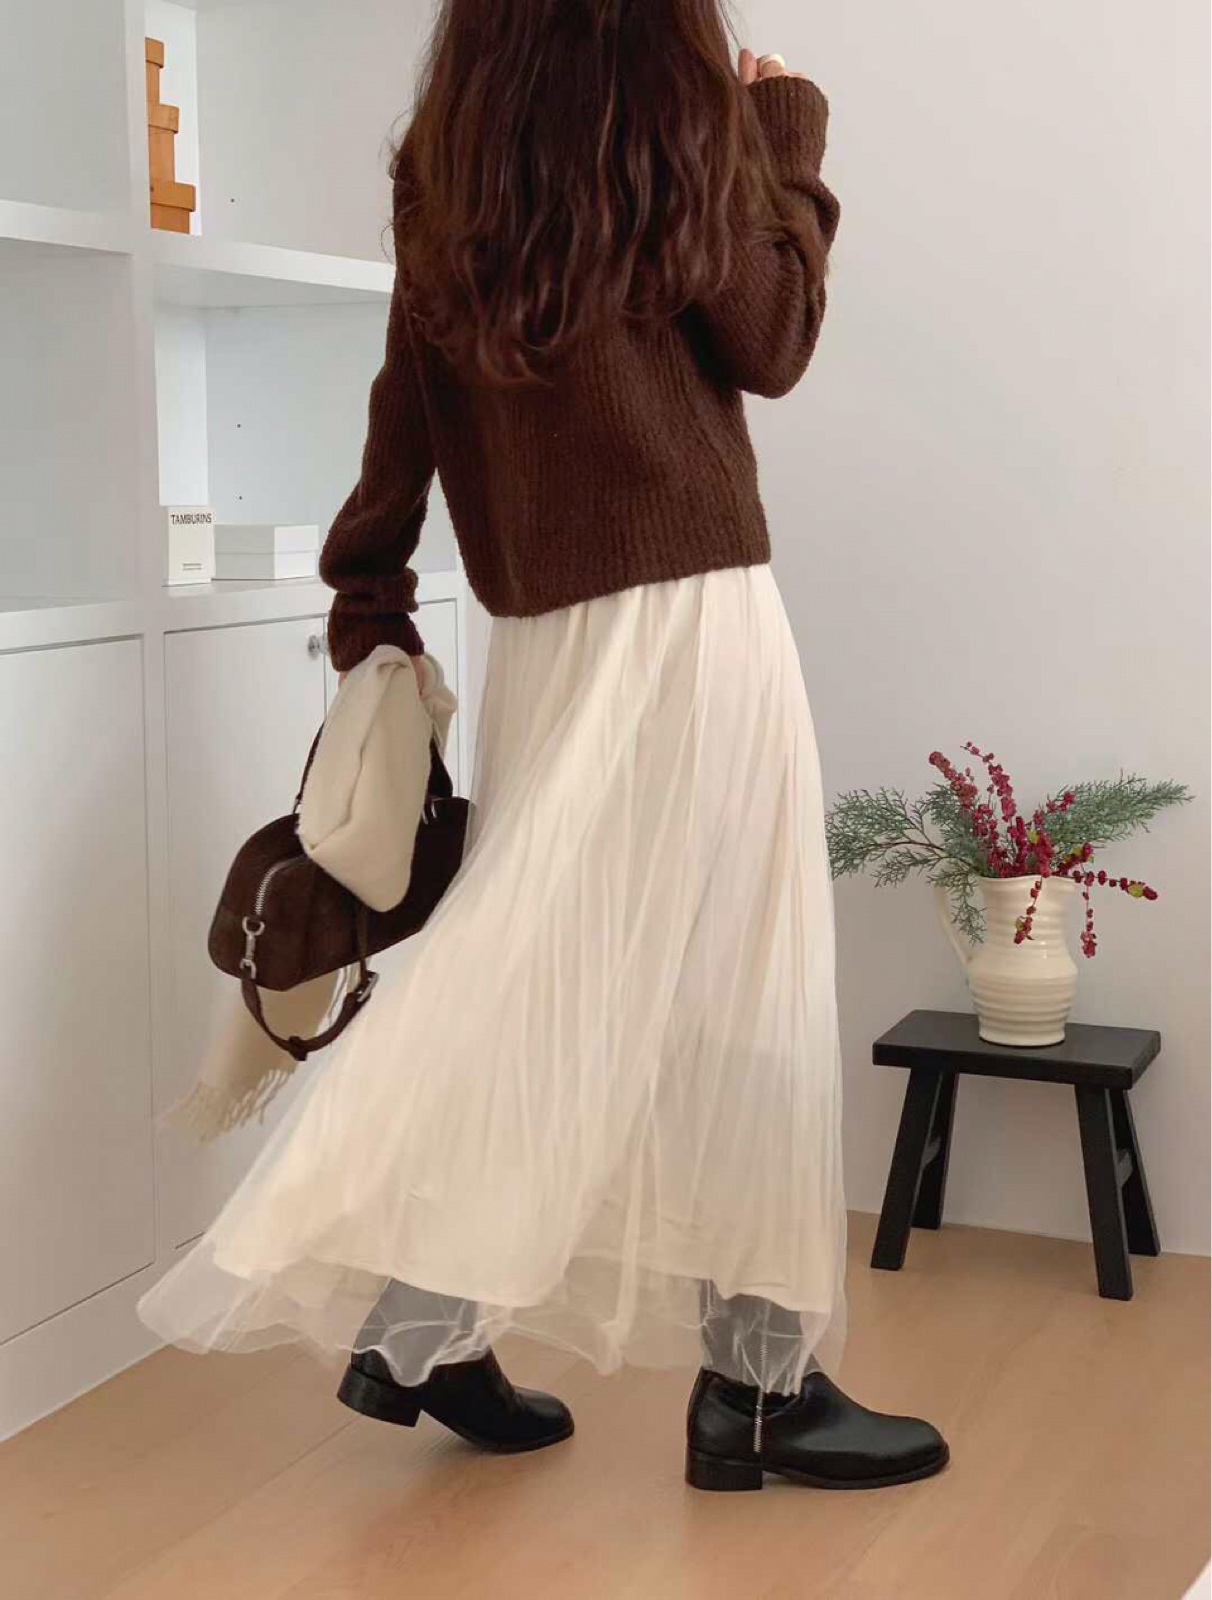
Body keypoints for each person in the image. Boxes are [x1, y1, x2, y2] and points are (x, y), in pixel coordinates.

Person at [139, 1, 949, 1494]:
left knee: (547, 965)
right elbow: (773, 341)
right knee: (737, 985)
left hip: (545, 638)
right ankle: (755, 1387)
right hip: (693, 618)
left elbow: (408, 394)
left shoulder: (451, 154)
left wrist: (369, 593)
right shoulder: (679, 125)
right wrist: (786, 141)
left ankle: (425, 1326)